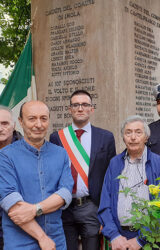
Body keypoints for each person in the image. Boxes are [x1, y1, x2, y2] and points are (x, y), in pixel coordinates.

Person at [0, 101, 73, 250]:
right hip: (19, 243)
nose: (38, 124)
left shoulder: (61, 154)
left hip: (56, 240)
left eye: (43, 118)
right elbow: (13, 205)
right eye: (32, 118)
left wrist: (35, 209)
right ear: (20, 121)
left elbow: (65, 194)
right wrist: (42, 238)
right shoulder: (5, 157)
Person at [50, 89, 116, 250]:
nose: (80, 108)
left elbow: (111, 178)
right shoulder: (57, 138)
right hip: (64, 207)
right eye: (76, 105)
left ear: (91, 109)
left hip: (91, 206)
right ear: (70, 109)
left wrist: (107, 215)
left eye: (85, 105)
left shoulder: (106, 137)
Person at [98, 115, 160, 250]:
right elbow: (105, 204)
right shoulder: (114, 163)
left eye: (138, 132)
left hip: (149, 239)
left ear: (146, 137)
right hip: (119, 238)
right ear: (123, 137)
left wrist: (140, 240)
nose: (133, 137)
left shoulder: (159, 164)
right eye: (128, 132)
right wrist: (114, 235)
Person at [0, 106, 22, 250]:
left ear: (13, 125)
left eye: (5, 123)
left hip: (17, 225)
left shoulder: (26, 150)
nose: (0, 128)